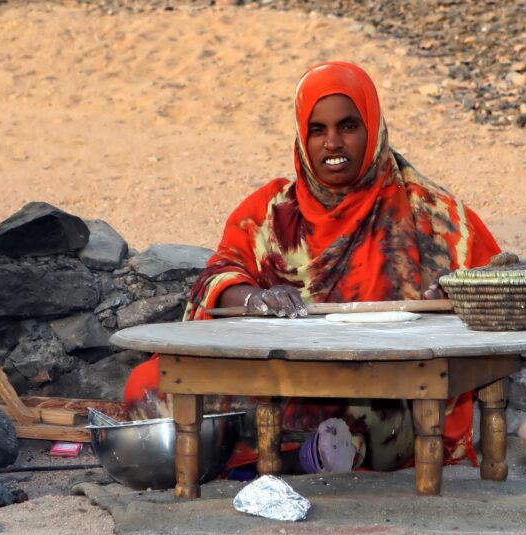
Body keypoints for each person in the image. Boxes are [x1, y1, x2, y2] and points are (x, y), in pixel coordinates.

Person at [124, 61, 501, 473]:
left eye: (349, 127)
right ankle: (308, 459)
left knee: (378, 416)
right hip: (282, 383)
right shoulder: (272, 211)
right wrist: (255, 297)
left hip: (380, 389)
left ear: (373, 130)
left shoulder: (431, 212)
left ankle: (282, 464)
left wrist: (451, 295)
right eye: (317, 130)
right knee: (147, 385)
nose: (332, 143)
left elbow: (492, 281)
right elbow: (218, 275)